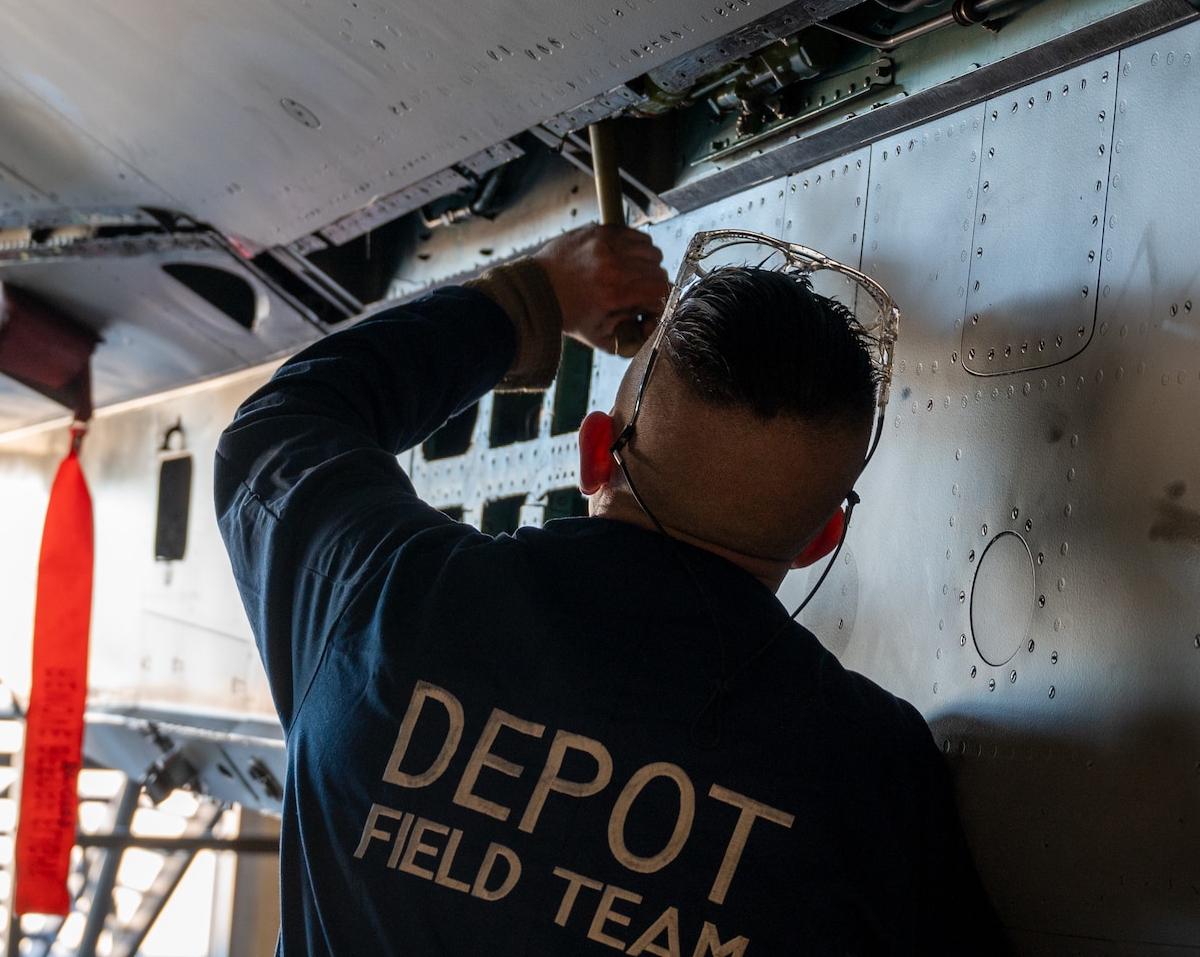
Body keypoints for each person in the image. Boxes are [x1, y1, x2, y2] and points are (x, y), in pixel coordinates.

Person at [214, 223, 1006, 955]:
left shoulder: (385, 599)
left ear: (595, 453)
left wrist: (542, 294)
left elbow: (278, 431)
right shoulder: (874, 778)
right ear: (819, 541)